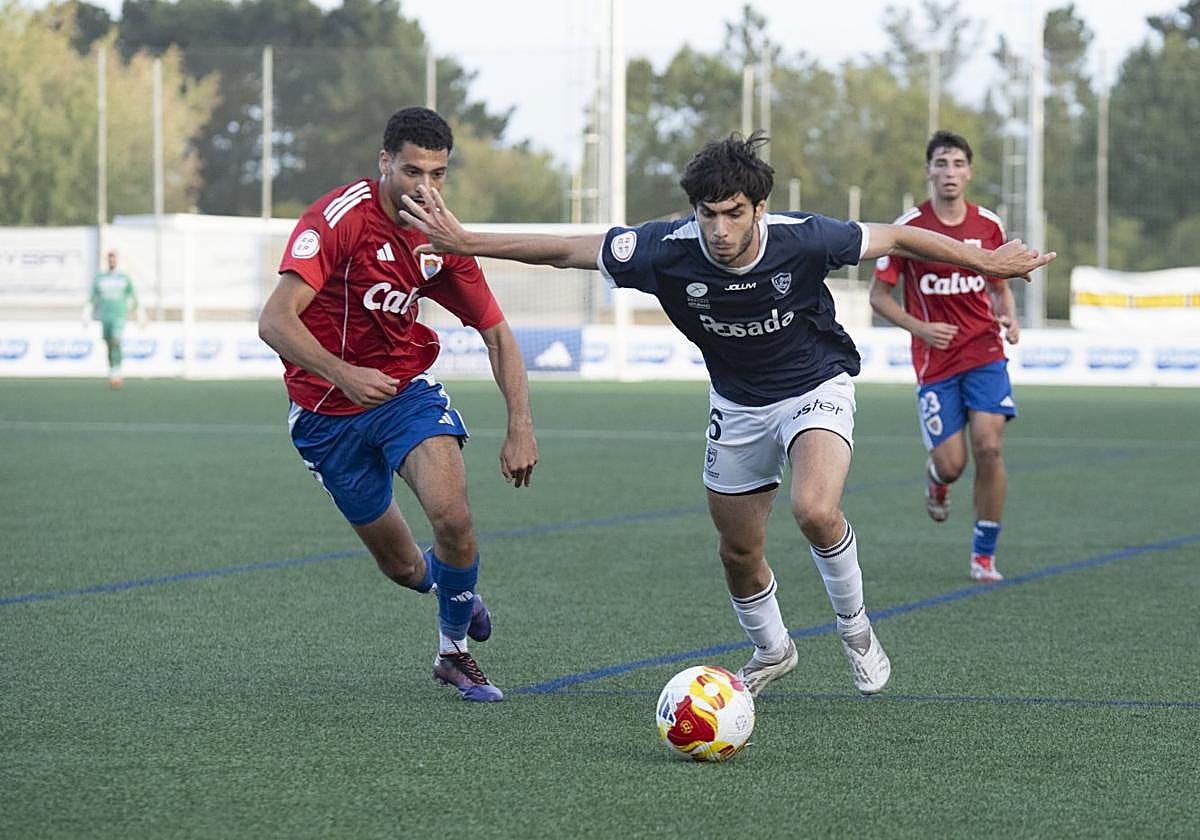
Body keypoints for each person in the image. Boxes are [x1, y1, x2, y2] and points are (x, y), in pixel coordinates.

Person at [396, 132, 1054, 697]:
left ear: (757, 208)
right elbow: (569, 248)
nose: (719, 228)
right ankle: (774, 649)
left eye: (733, 213)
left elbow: (902, 238)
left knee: (816, 508)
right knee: (739, 551)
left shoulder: (804, 239)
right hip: (737, 405)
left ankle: (856, 629)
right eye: (708, 214)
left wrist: (988, 262)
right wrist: (466, 241)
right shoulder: (666, 249)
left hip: (814, 385)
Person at [257, 106, 539, 703]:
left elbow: (497, 334)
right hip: (324, 415)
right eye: (413, 171)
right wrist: (343, 374)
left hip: (404, 393)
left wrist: (520, 426)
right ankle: (455, 590)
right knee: (406, 569)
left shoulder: (441, 236)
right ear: (385, 163)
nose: (425, 188)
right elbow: (275, 321)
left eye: (438, 175)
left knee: (453, 518)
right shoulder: (338, 220)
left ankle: (453, 653)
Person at [869, 130, 1019, 584]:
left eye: (957, 163)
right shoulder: (909, 227)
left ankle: (984, 556)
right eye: (941, 163)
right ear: (928, 171)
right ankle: (937, 478)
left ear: (969, 172)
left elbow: (1000, 283)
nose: (949, 172)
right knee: (953, 464)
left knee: (989, 447)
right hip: (936, 361)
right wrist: (920, 328)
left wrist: (1008, 316)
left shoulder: (988, 225)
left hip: (985, 350)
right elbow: (879, 296)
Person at [86, 250, 141, 388]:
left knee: (116, 340)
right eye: (110, 259)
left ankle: (117, 372)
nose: (112, 261)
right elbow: (93, 297)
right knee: (109, 344)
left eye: (114, 259)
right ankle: (112, 371)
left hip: (119, 315)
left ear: (117, 260)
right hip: (105, 316)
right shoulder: (101, 277)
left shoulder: (124, 277)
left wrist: (140, 315)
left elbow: (133, 296)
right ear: (107, 260)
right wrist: (86, 313)